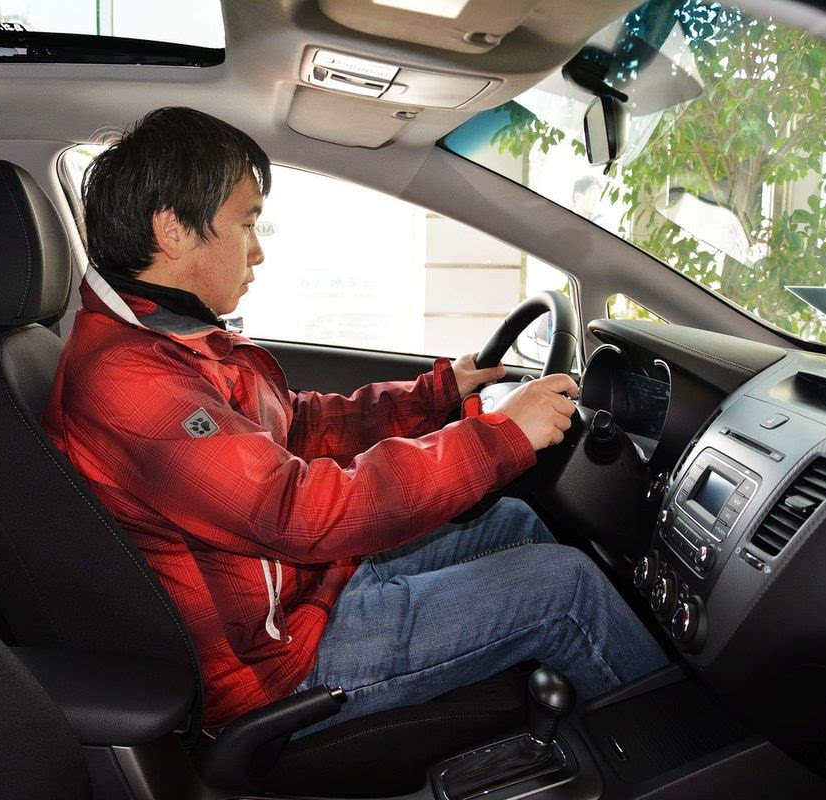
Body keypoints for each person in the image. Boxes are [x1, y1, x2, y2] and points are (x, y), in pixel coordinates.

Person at [42, 107, 666, 731]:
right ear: (174, 230)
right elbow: (295, 512)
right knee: (566, 588)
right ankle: (674, 757)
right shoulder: (130, 380)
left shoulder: (171, 340)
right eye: (246, 224)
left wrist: (438, 393)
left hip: (304, 594)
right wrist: (500, 437)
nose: (258, 252)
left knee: (515, 522)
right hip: (275, 665)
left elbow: (299, 427)